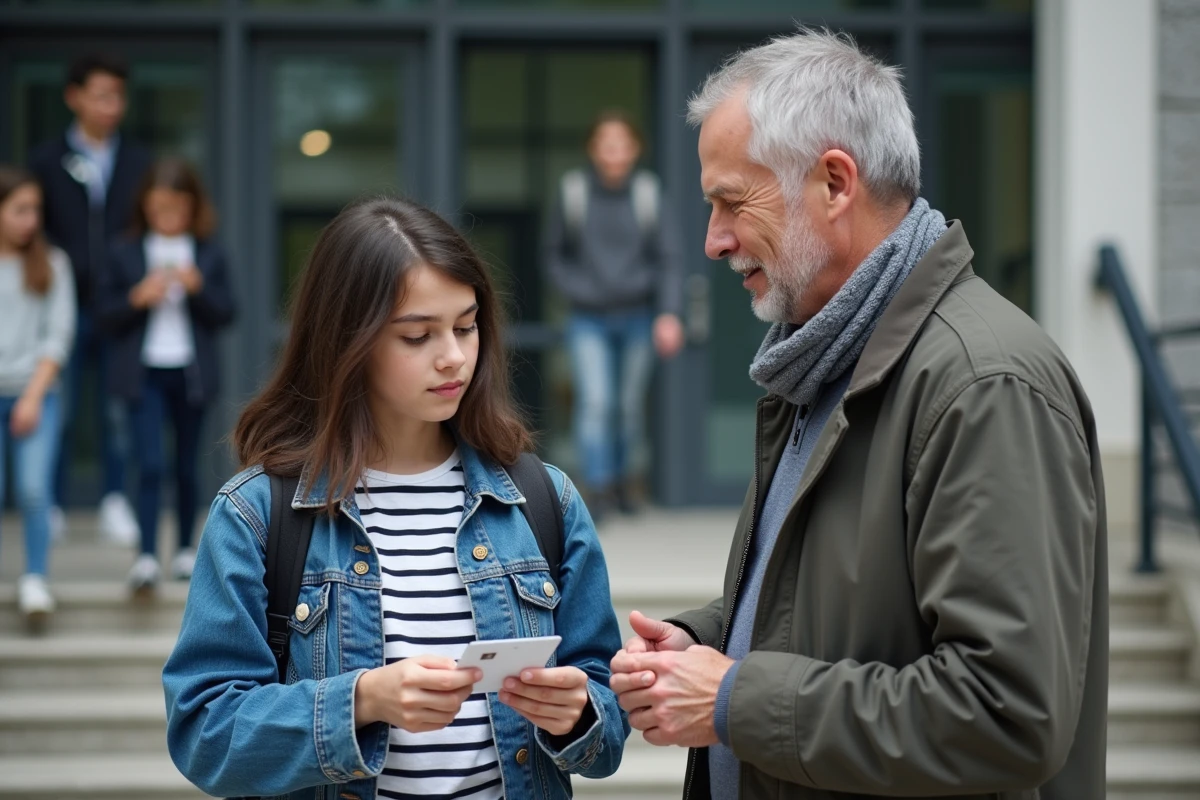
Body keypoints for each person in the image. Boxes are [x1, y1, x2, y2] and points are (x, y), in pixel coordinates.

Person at [609, 29, 1108, 800]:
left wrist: (734, 698)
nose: (713, 241)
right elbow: (849, 606)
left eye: (731, 202)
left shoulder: (983, 384)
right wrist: (705, 642)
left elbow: (1006, 711)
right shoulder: (823, 359)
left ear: (835, 184)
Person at [162, 197, 628, 799]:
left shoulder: (543, 499)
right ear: (346, 343)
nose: (453, 357)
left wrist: (580, 712)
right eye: (418, 335)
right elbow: (204, 734)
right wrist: (361, 701)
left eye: (466, 326)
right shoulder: (258, 514)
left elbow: (606, 724)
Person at [95, 158, 235, 593]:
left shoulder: (208, 252)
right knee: (150, 463)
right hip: (144, 372)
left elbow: (227, 311)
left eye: (175, 207)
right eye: (158, 207)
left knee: (187, 465)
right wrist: (138, 296)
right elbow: (103, 314)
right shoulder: (125, 251)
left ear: (192, 207)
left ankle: (185, 550)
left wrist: (198, 290)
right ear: (146, 206)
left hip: (191, 373)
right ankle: (146, 556)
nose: (167, 216)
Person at [28, 52, 150, 546]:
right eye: (102, 95)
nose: (111, 106)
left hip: (120, 306)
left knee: (118, 408)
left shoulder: (138, 161)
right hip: (64, 304)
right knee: (61, 404)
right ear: (74, 97)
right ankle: (53, 502)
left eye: (118, 96)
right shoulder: (46, 160)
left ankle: (115, 499)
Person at [544, 110, 685, 519]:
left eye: (623, 143)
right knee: (596, 402)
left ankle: (626, 484)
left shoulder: (648, 194)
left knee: (627, 406)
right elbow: (553, 258)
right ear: (593, 148)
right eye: (607, 143)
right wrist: (580, 290)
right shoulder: (574, 193)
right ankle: (599, 489)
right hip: (587, 318)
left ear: (635, 149)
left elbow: (669, 259)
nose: (615, 152)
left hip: (639, 315)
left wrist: (669, 313)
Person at [0, 167, 76, 626]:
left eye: (35, 210)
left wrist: (31, 396)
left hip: (37, 393)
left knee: (32, 489)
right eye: (19, 209)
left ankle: (34, 578)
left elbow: (58, 336)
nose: (30, 219)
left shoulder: (54, 263)